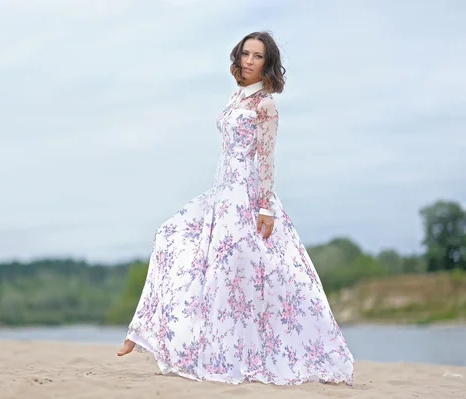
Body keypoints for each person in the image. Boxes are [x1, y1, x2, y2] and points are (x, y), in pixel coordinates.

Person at [117, 31, 354, 386]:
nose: (248, 60)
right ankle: (148, 332)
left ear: (267, 63)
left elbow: (266, 160)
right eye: (245, 53)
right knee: (171, 237)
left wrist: (265, 208)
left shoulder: (266, 106)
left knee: (249, 278)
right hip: (221, 193)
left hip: (248, 197)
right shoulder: (236, 97)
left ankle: (251, 354)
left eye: (257, 56)